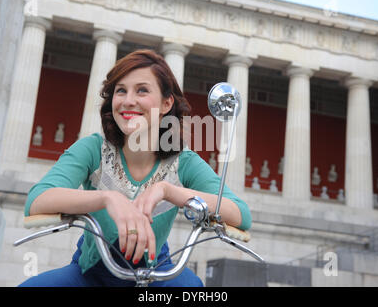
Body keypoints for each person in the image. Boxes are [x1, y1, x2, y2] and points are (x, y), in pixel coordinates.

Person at [19, 49, 252, 287]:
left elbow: (240, 214)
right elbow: (37, 200)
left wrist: (168, 191)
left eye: (142, 90)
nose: (129, 100)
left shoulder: (184, 161)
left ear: (166, 103)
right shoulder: (93, 149)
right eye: (121, 90)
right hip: (90, 275)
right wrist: (107, 198)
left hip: (157, 275)